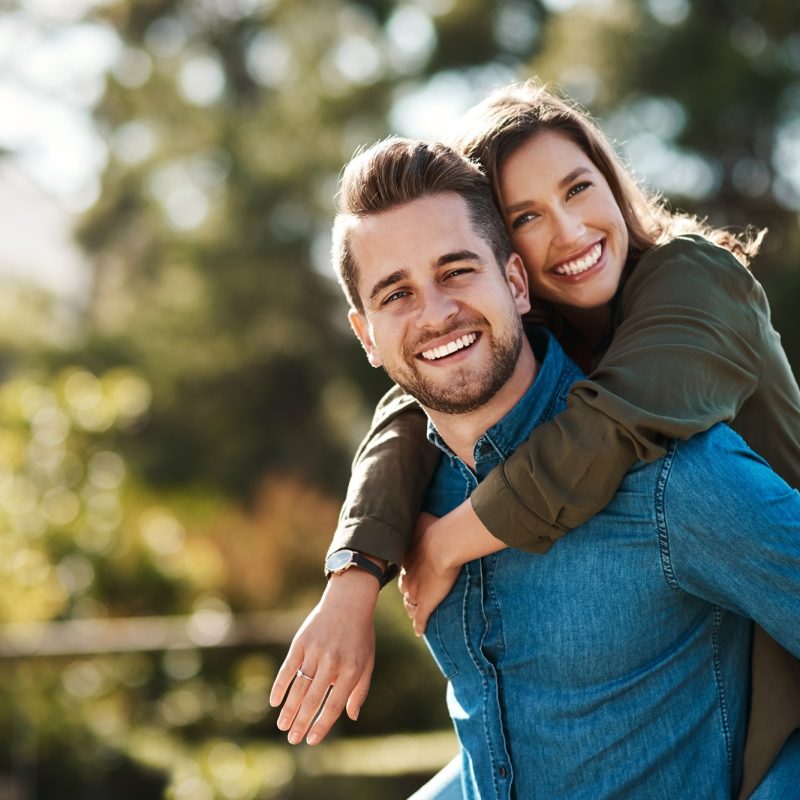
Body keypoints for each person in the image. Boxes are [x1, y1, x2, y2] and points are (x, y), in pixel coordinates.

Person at [269, 82, 800, 794]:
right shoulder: (515, 354)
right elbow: (409, 412)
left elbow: (608, 432)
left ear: (509, 280)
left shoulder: (694, 291)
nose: (570, 232)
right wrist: (353, 577)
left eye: (578, 189)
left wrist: (444, 543)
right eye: (526, 216)